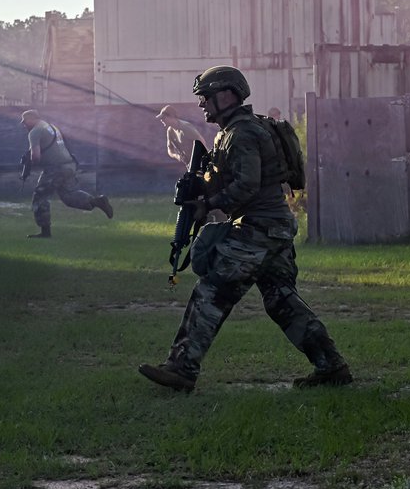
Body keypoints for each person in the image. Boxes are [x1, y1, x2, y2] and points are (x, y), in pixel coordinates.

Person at [139, 65, 352, 392]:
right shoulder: (237, 131)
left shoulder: (243, 133)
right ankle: (331, 366)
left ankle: (181, 367)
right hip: (273, 227)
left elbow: (248, 185)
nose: (202, 105)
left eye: (206, 98)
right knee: (281, 301)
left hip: (258, 228)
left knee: (212, 291)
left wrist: (207, 205)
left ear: (226, 95)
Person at [20, 109, 113, 238]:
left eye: (25, 122)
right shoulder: (51, 127)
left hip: (55, 168)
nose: (24, 125)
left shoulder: (35, 131)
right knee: (69, 196)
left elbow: (35, 157)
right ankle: (98, 201)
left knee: (40, 196)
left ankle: (45, 232)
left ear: (31, 119)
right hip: (68, 165)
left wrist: (29, 164)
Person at [156, 104, 206, 169]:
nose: (161, 120)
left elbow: (202, 142)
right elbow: (170, 149)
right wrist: (177, 156)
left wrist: (201, 160)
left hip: (202, 162)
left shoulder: (186, 127)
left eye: (163, 118)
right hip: (189, 164)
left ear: (171, 116)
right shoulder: (170, 131)